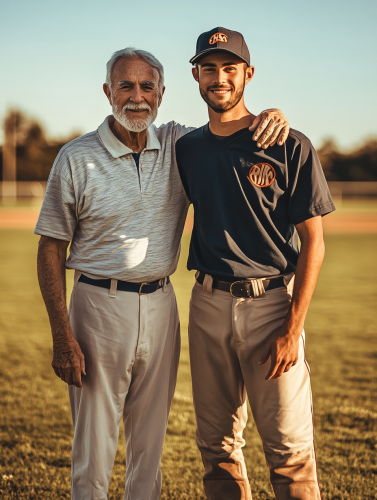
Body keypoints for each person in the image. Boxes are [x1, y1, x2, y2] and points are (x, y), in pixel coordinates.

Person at [35, 46, 290, 500]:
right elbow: (51, 248)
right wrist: (62, 334)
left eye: (147, 86)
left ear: (163, 92)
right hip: (97, 306)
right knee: (93, 451)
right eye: (126, 86)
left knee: (149, 448)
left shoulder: (180, 143)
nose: (137, 97)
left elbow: (228, 128)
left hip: (161, 303)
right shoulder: (75, 157)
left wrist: (272, 115)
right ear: (107, 91)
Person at [176, 27, 336, 500]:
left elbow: (314, 243)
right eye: (209, 68)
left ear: (248, 74)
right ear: (196, 76)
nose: (219, 78)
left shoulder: (289, 144)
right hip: (206, 303)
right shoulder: (186, 149)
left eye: (229, 68)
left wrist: (292, 327)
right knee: (216, 445)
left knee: (289, 449)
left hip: (271, 306)